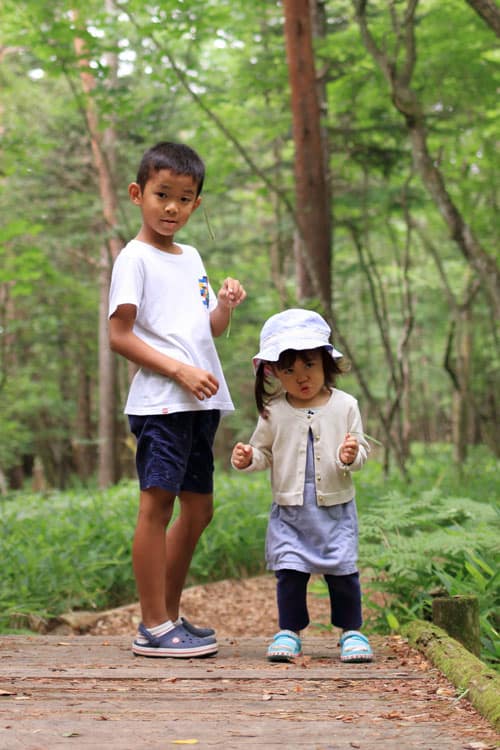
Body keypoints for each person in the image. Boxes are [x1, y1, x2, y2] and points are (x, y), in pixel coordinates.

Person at [108, 141, 246, 658]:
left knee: (200, 509)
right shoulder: (134, 258)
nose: (172, 208)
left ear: (196, 205)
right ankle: (152, 624)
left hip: (200, 402)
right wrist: (180, 370)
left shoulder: (191, 257)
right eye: (162, 195)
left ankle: (167, 615)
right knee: (157, 506)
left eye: (184, 199)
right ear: (137, 194)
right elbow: (120, 336)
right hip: (162, 402)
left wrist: (227, 305)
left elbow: (206, 327)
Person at [231, 309, 373, 663]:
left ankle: (351, 631)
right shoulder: (273, 411)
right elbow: (264, 451)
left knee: (342, 571)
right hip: (291, 510)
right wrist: (249, 458)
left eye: (309, 364)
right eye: (288, 370)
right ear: (274, 373)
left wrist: (351, 453)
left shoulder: (345, 405)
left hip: (335, 508)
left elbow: (360, 452)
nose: (301, 377)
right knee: (289, 572)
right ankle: (289, 631)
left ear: (325, 362)